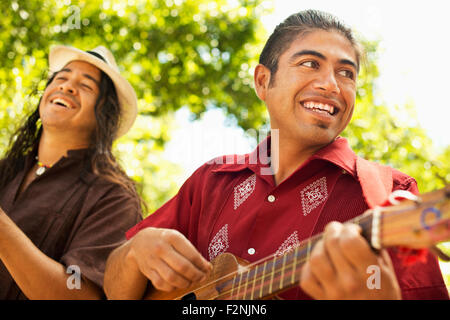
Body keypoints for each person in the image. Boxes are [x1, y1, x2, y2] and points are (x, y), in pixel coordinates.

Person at [103, 10, 449, 300]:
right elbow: (114, 288)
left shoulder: (389, 194)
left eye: (347, 73)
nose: (331, 84)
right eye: (311, 64)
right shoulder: (210, 181)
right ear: (262, 81)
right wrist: (137, 250)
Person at [0, 45, 143, 299]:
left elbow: (81, 294)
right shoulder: (8, 169)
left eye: (86, 86)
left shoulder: (113, 197)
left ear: (104, 114)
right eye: (61, 77)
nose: (66, 86)